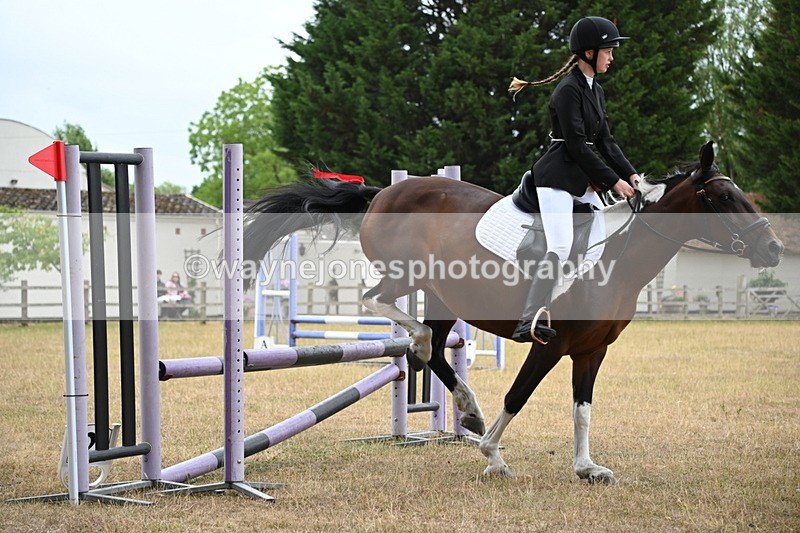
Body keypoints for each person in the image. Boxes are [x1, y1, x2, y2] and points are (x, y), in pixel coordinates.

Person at [508, 16, 641, 344]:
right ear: (589, 53)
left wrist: (631, 174)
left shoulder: (596, 90)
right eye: (608, 51)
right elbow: (578, 146)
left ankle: (567, 304)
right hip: (555, 177)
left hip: (580, 178)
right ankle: (527, 320)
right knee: (561, 245)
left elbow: (606, 141)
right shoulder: (567, 90)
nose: (612, 58)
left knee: (598, 241)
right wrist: (614, 183)